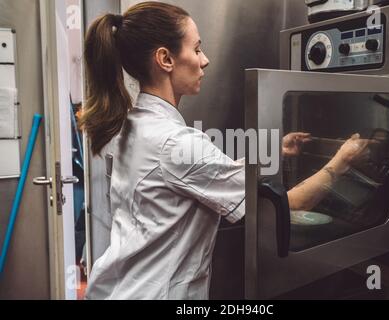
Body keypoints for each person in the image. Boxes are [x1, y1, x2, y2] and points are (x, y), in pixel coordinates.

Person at [80, 1, 369, 300]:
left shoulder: (132, 125)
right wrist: (341, 161)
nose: (204, 60)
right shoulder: (176, 142)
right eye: (196, 49)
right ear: (165, 59)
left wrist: (274, 150)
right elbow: (282, 204)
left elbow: (204, 175)